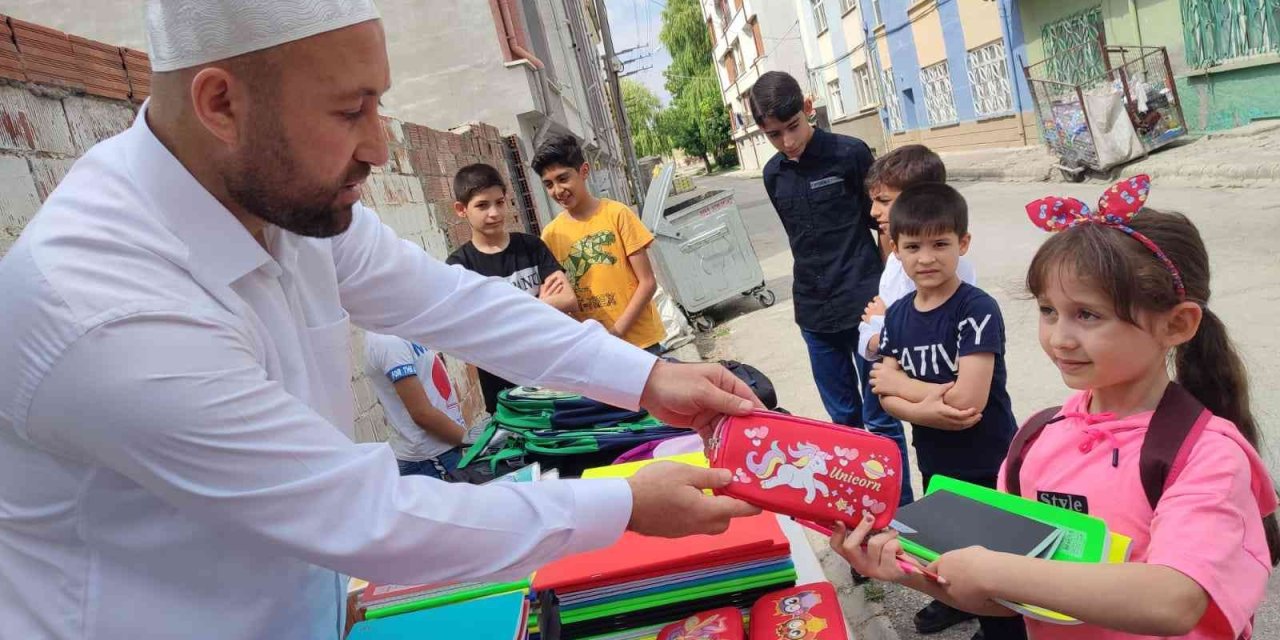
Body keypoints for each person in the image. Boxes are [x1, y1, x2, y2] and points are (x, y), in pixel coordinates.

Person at [0, 3, 764, 638]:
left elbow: (448, 301)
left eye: (379, 100)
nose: (378, 143)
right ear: (220, 104)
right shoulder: (102, 308)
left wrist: (649, 376)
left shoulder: (285, 204)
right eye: (349, 109)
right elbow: (362, 514)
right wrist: (623, 502)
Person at [837, 178, 1278, 639]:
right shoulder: (1039, 438)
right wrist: (902, 568)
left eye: (1088, 315)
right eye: (1049, 311)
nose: (1060, 338)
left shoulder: (1205, 455)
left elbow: (1175, 598)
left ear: (1177, 323)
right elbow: (1007, 601)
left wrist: (993, 570)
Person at [868, 184, 1023, 640]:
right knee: (950, 548)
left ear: (964, 244)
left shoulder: (976, 309)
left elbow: (968, 403)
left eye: (941, 244)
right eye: (913, 246)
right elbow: (882, 394)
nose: (927, 258)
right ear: (895, 250)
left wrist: (906, 389)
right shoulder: (897, 314)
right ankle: (965, 608)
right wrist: (926, 405)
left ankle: (1005, 628)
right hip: (936, 459)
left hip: (989, 457)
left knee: (998, 556)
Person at [752, 71, 882, 435]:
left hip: (866, 307)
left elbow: (883, 224)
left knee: (882, 419)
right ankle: (858, 495)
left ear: (808, 107)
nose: (787, 141)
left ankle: (901, 496)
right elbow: (799, 240)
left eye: (792, 126)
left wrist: (892, 293)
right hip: (814, 315)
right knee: (844, 423)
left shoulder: (850, 153)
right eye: (773, 135)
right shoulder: (773, 175)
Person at [446, 162, 577, 413]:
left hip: (554, 379)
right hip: (504, 393)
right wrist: (542, 305)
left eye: (500, 202)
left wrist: (502, 317)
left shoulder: (530, 247)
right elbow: (474, 333)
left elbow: (569, 300)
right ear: (461, 209)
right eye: (482, 205)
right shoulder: (459, 268)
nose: (494, 213)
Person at [534, 133, 666, 355]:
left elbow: (647, 283)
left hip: (640, 345)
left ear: (584, 171)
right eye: (549, 184)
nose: (557, 190)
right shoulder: (550, 235)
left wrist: (615, 333)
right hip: (593, 351)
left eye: (563, 178)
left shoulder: (617, 214)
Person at [364, 331, 469, 478]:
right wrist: (473, 441)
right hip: (431, 457)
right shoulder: (389, 342)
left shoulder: (399, 333)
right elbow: (422, 414)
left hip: (442, 449)